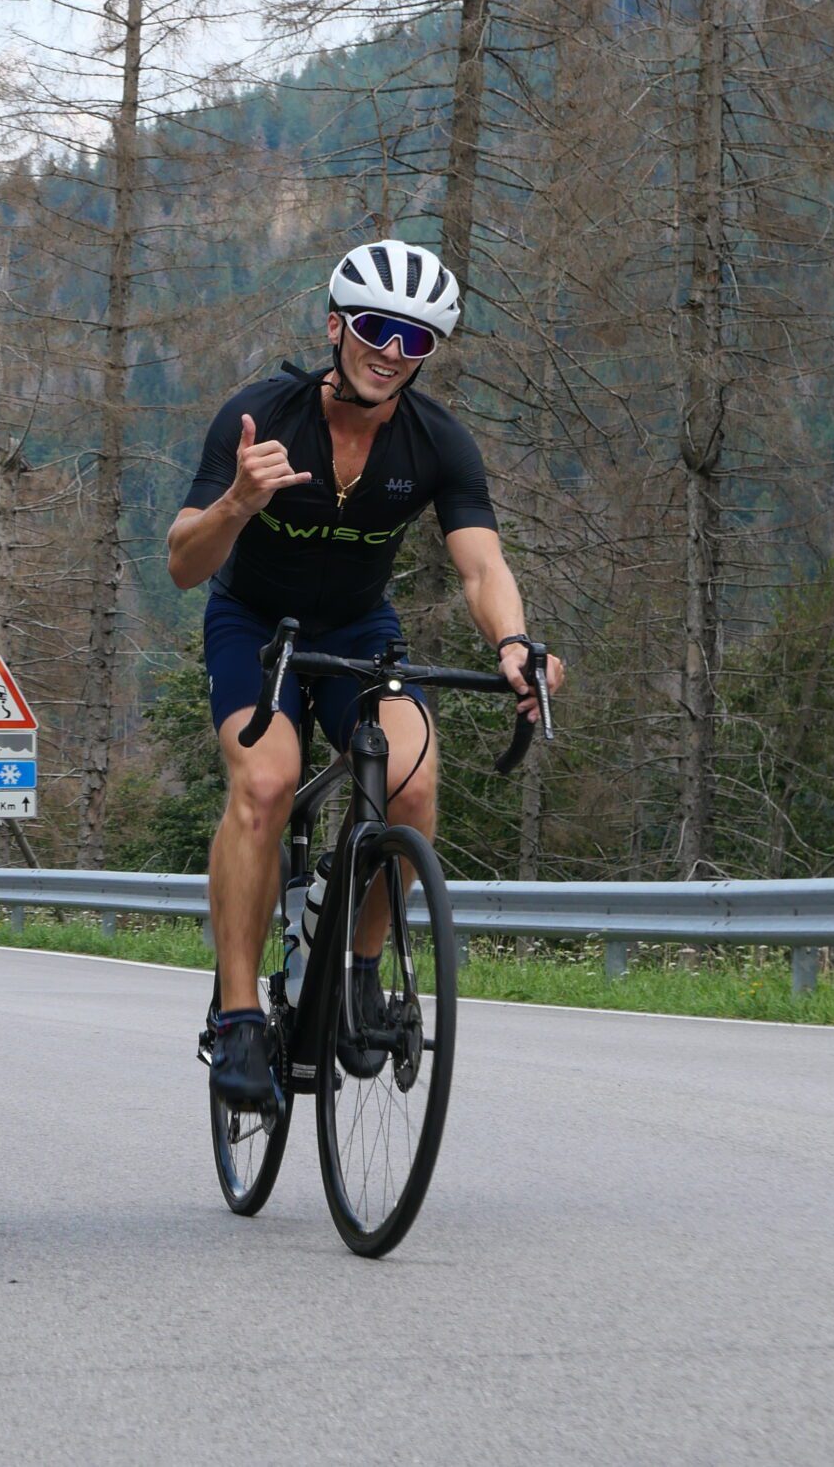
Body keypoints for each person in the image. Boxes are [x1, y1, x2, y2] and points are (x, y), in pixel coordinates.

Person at [166, 237, 565, 1108]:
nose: (392, 351)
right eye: (379, 327)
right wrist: (239, 500)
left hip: (358, 632)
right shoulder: (260, 415)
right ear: (338, 325)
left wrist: (512, 642)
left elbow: (482, 565)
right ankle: (236, 1016)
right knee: (267, 785)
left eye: (415, 339)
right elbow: (182, 566)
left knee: (413, 785)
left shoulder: (436, 443)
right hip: (255, 625)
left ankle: (358, 970)